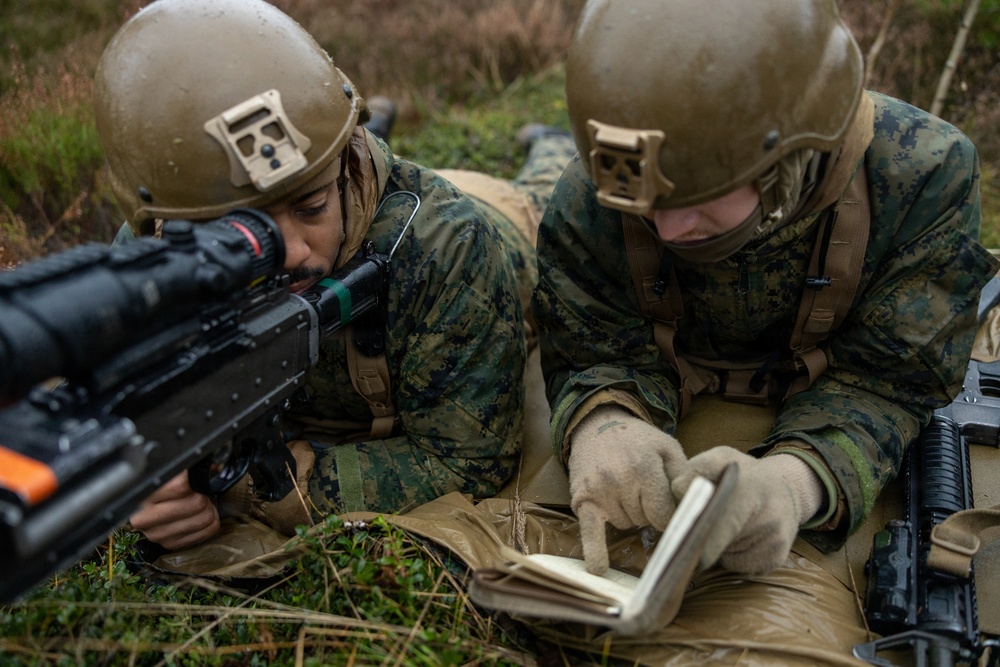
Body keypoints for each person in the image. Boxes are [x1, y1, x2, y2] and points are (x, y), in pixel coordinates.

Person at [529, 0, 999, 661]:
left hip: (829, 411)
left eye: (693, 198)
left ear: (793, 156)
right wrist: (604, 416)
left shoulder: (920, 175)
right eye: (647, 206)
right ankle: (538, 151)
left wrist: (794, 481)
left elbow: (890, 377)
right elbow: (591, 333)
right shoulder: (607, 185)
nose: (665, 230)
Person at [94, 0, 574, 551]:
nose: (293, 252)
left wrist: (264, 488)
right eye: (243, 230)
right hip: (359, 188)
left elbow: (468, 460)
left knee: (532, 196)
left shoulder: (449, 244)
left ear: (346, 161)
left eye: (310, 206)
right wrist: (146, 482)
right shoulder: (154, 258)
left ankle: (550, 144)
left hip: (500, 226)